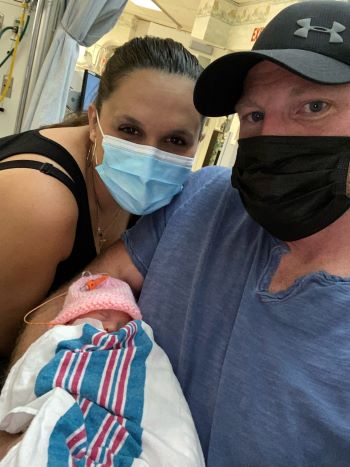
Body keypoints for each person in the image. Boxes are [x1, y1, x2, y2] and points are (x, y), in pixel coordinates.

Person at [4, 0, 350, 464]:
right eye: (253, 115)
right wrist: (17, 423)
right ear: (94, 120)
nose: (273, 136)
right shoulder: (205, 200)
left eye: (313, 105)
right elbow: (81, 295)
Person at [0, 36, 204, 363]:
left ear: (199, 142)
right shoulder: (40, 203)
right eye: (130, 130)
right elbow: (5, 352)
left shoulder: (168, 201)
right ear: (94, 122)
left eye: (176, 140)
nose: (149, 158)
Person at [0, 274, 204, 466]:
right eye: (102, 315)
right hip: (73, 411)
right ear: (72, 318)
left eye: (123, 323)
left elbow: (158, 393)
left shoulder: (136, 348)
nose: (111, 328)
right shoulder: (64, 337)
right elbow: (34, 367)